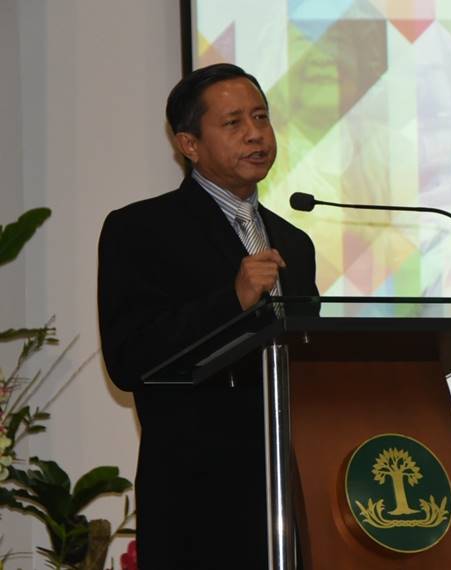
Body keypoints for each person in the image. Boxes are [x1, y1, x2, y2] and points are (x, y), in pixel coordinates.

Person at [98, 63, 319, 569]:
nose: (255, 134)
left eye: (261, 117)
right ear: (189, 144)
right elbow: (130, 359)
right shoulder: (140, 231)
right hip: (199, 500)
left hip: (293, 493)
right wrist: (232, 299)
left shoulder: (294, 242)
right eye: (234, 122)